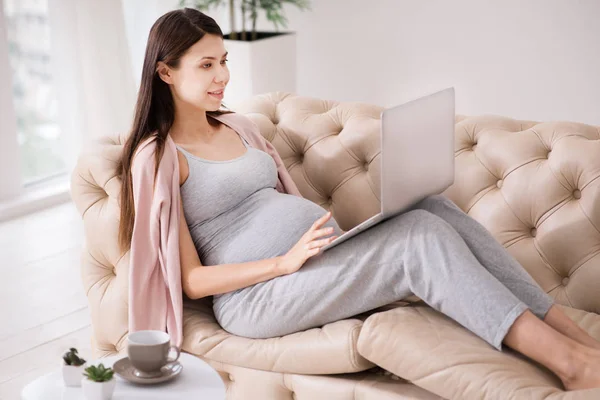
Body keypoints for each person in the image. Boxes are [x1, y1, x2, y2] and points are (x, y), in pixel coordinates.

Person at [117, 7, 600, 390]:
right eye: (206, 65)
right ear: (165, 72)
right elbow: (193, 281)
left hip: (315, 264)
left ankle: (578, 340)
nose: (221, 76)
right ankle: (569, 364)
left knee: (432, 207)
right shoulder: (158, 156)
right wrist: (282, 264)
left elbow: (286, 200)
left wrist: (336, 243)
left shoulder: (240, 126)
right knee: (419, 238)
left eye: (224, 61)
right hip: (256, 298)